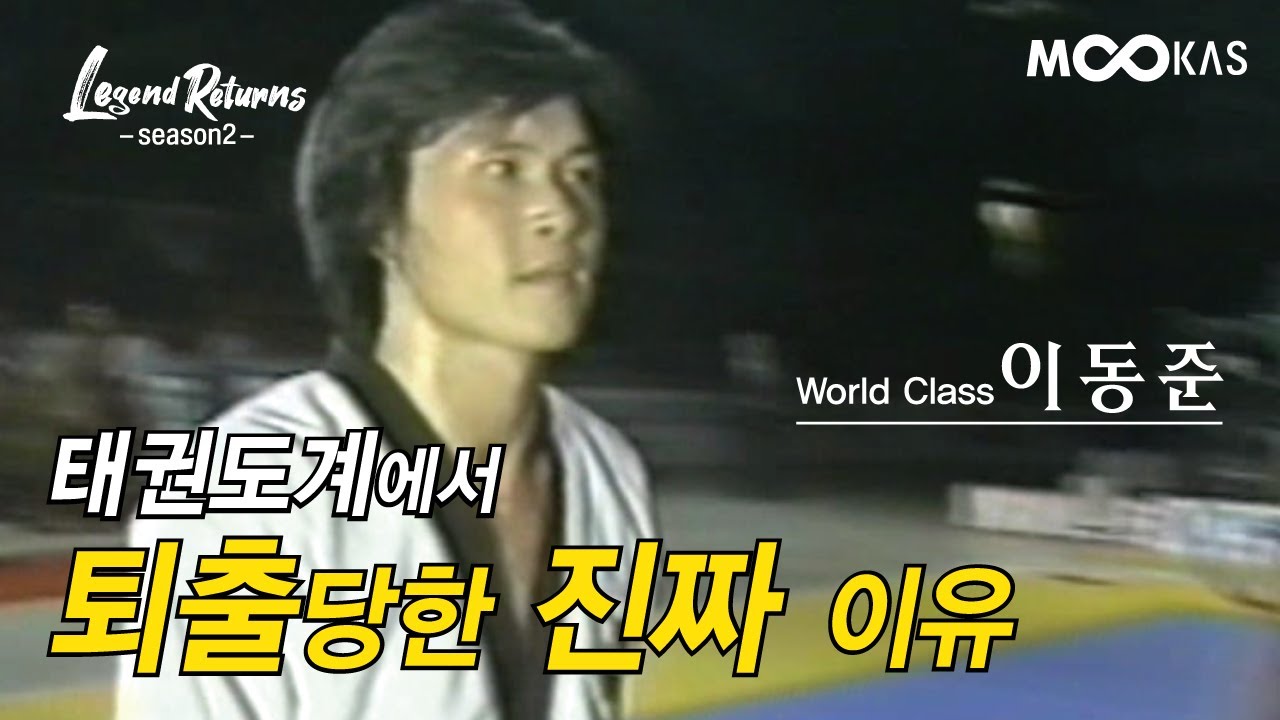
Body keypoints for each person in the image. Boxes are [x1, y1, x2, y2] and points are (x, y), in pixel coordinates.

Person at [115, 2, 658, 718]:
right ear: (379, 214)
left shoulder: (605, 470)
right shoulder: (246, 492)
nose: (561, 211)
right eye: (503, 168)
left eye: (580, 173)